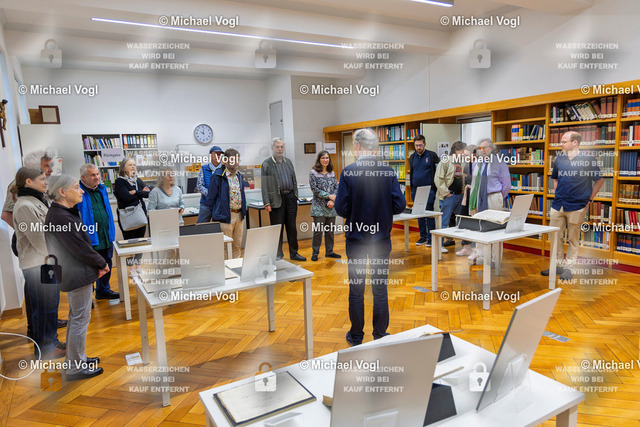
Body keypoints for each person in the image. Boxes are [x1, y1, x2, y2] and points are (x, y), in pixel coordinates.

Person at [335, 128, 406, 346]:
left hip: (356, 241)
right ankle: (380, 334)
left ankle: (356, 336)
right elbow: (399, 205)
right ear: (375, 147)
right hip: (381, 240)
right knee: (380, 289)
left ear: (357, 146)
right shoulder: (388, 172)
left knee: (356, 289)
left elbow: (341, 209)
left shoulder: (348, 172)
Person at [45, 175, 107, 380]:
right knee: (80, 319)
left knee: (77, 318)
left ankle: (75, 359)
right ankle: (75, 367)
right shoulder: (60, 217)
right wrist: (101, 262)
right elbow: (80, 248)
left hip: (76, 272)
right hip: (76, 273)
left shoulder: (62, 213)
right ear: (62, 192)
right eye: (75, 187)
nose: (81, 191)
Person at [12, 167, 64, 359]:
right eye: (42, 179)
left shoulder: (36, 201)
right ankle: (45, 348)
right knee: (43, 308)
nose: (46, 182)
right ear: (28, 181)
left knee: (51, 305)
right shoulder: (25, 206)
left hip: (47, 263)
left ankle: (52, 341)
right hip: (38, 265)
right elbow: (40, 241)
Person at [542, 131, 603, 281]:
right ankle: (557, 266)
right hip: (558, 205)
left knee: (573, 239)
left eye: (564, 141)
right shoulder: (559, 159)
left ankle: (569, 268)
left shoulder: (588, 160)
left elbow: (599, 180)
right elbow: (555, 179)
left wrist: (589, 199)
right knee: (555, 237)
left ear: (575, 142)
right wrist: (557, 194)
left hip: (577, 206)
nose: (561, 144)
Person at [78, 164, 119, 300]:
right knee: (90, 268)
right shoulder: (78, 191)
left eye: (97, 174)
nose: (97, 177)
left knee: (107, 263)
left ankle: (103, 290)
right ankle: (87, 298)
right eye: (92, 175)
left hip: (105, 235)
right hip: (89, 237)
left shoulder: (102, 189)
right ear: (83, 177)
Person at [467, 138, 511, 264]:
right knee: (480, 228)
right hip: (479, 199)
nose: (482, 150)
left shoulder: (500, 163)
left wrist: (498, 197)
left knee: (496, 230)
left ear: (491, 149)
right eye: (480, 148)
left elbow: (507, 185)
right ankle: (481, 257)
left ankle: (495, 259)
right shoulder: (476, 164)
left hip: (493, 198)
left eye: (485, 148)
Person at [261, 137, 306, 261]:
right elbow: (264, 185)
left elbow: (294, 180)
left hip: (290, 198)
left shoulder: (288, 162)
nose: (280, 149)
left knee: (292, 227)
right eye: (277, 147)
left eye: (282, 147)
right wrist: (267, 202)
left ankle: (294, 253)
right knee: (277, 229)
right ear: (272, 148)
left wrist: (295, 195)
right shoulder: (267, 163)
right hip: (276, 199)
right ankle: (278, 255)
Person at [206, 148, 247, 258]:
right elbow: (210, 199)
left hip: (239, 215)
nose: (236, 163)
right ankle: (226, 268)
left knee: (237, 245)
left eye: (238, 160)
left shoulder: (239, 175)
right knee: (225, 247)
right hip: (225, 216)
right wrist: (217, 213)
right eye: (233, 160)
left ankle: (236, 267)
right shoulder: (217, 175)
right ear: (226, 161)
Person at [113, 157, 150, 274]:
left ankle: (138, 266)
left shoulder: (138, 180)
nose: (133, 167)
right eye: (130, 165)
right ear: (124, 168)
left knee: (140, 242)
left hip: (140, 215)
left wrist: (135, 192)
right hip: (127, 216)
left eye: (134, 164)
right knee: (128, 243)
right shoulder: (119, 182)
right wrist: (139, 193)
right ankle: (131, 268)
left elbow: (148, 194)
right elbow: (126, 197)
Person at [434, 141, 467, 253]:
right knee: (444, 221)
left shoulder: (462, 162)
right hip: (449, 196)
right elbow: (438, 179)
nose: (464, 153)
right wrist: (446, 193)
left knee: (462, 220)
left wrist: (462, 190)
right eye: (462, 151)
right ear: (456, 150)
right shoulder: (445, 161)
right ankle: (440, 246)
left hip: (459, 196)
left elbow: (462, 178)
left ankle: (466, 246)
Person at [309, 151, 341, 261]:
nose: (325, 160)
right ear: (319, 159)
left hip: (331, 206)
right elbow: (315, 190)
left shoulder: (332, 173)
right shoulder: (313, 173)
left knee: (330, 231)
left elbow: (336, 188)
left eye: (327, 158)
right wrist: (329, 196)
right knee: (318, 231)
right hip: (318, 207)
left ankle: (329, 251)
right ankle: (315, 253)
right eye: (323, 158)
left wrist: (332, 200)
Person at [408, 135, 439, 246]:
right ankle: (423, 237)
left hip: (429, 189)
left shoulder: (432, 155)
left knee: (429, 213)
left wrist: (435, 188)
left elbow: (438, 171)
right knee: (419, 213)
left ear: (424, 144)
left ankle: (431, 238)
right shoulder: (412, 157)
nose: (418, 147)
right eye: (416, 145)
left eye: (420, 145)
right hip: (415, 190)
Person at [456, 144, 477, 257]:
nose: (465, 158)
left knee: (475, 222)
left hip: (476, 196)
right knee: (464, 220)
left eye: (467, 156)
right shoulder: (466, 166)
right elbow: (465, 180)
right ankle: (467, 247)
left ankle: (476, 249)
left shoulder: (481, 165)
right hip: (467, 195)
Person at [196, 146, 224, 223]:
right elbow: (199, 185)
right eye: (216, 154)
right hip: (206, 203)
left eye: (220, 154)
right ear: (210, 155)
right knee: (201, 226)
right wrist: (211, 195)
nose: (218, 156)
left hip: (220, 204)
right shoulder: (204, 168)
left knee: (220, 226)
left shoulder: (224, 169)